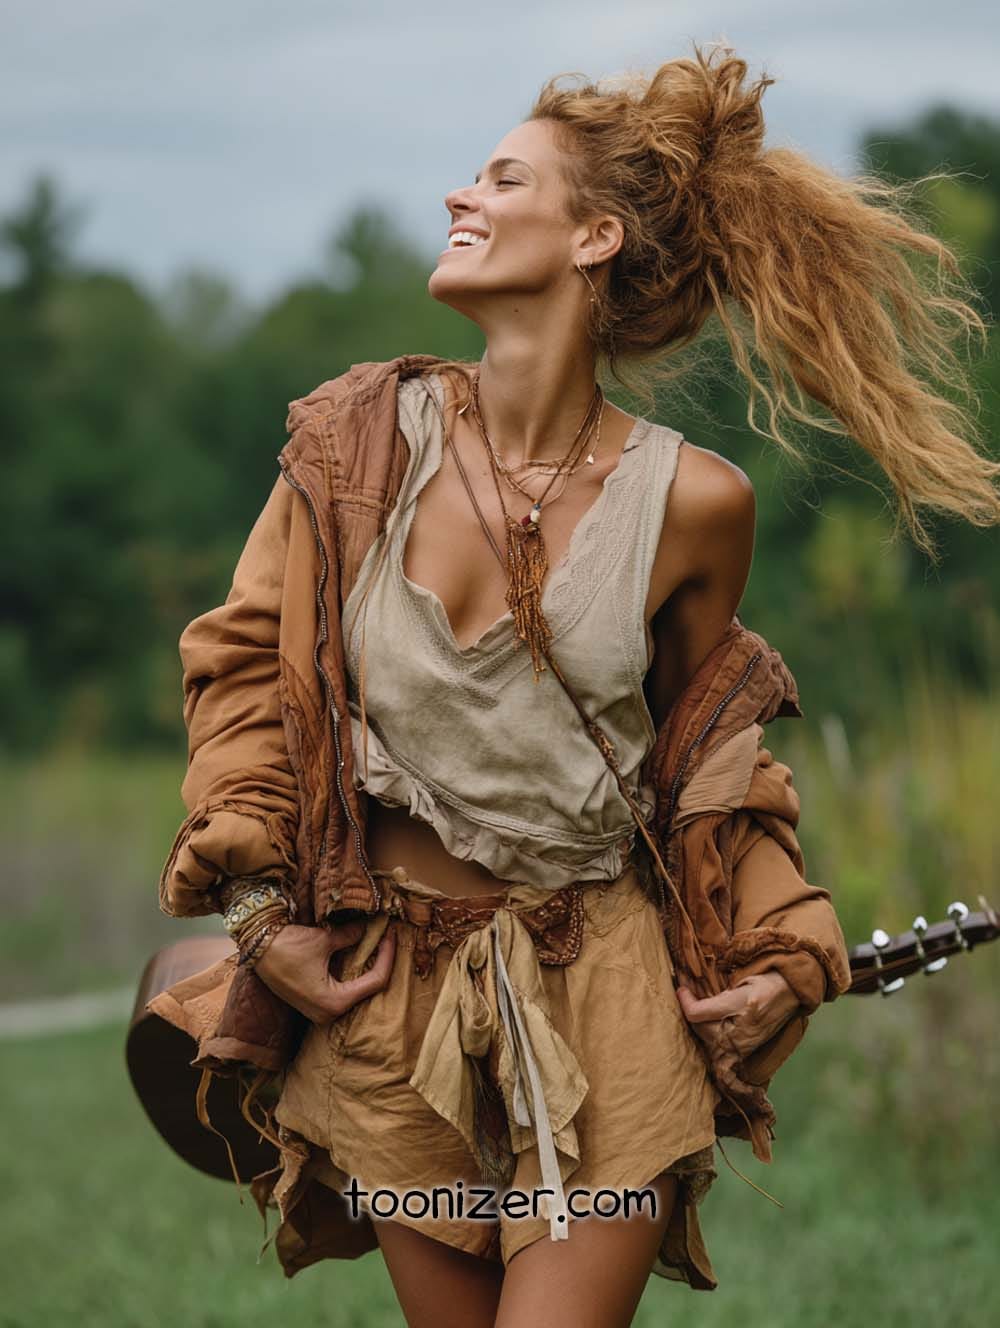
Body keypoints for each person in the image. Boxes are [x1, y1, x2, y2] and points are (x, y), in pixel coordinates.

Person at [153, 42, 999, 1328]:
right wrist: (262, 908)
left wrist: (786, 947)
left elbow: (706, 759)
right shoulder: (349, 445)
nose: (461, 195)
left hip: (603, 1000)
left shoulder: (695, 502)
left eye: (503, 178)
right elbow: (238, 674)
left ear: (594, 236)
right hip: (390, 1001)